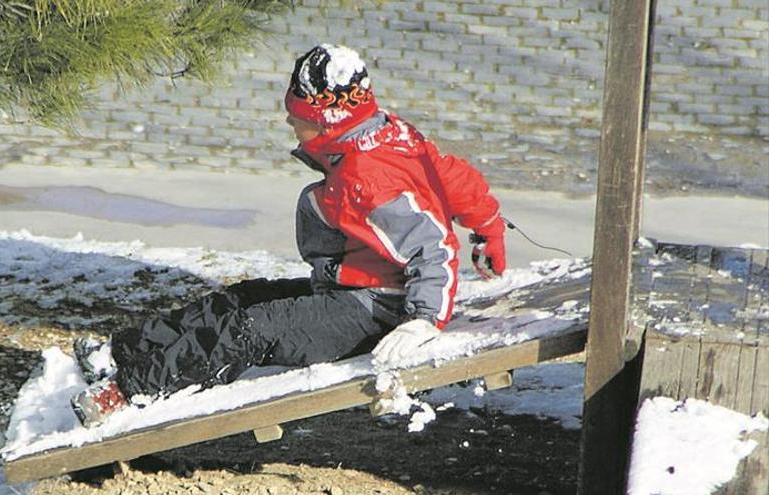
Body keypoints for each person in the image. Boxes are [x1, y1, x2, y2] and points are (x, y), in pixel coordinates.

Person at [71, 44, 506, 427]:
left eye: (298, 117)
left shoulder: (366, 177)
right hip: (350, 288)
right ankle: (122, 352)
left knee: (250, 329)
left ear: (327, 121)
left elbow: (434, 246)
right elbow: (449, 176)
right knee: (241, 298)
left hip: (377, 312)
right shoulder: (385, 132)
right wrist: (488, 229)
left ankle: (130, 392)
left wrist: (424, 321)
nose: (289, 122)